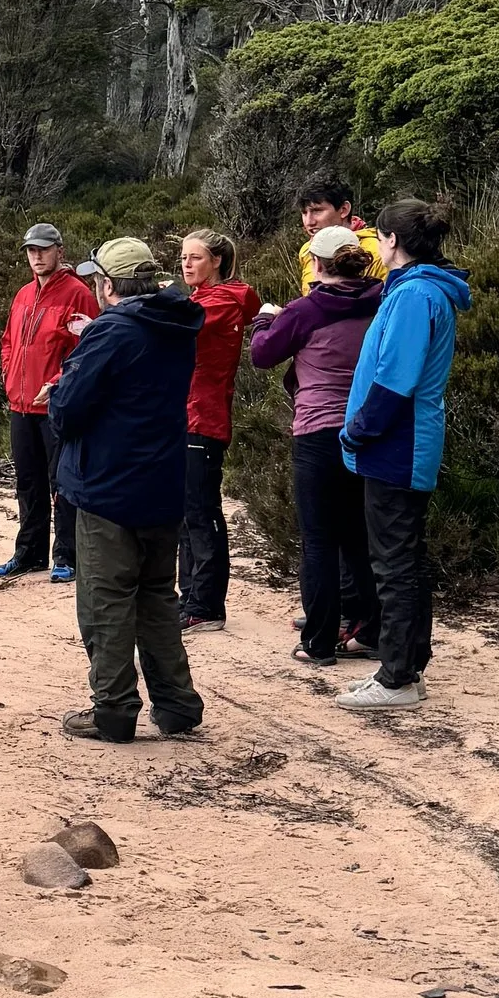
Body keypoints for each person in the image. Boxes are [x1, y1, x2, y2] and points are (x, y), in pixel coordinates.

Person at [47, 236, 205, 744]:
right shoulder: (179, 324)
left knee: (105, 599)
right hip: (161, 481)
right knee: (157, 595)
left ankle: (113, 709)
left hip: (108, 484)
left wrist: (61, 390)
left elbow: (69, 410)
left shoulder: (113, 329)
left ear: (109, 284)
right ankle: (177, 703)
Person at [337, 195, 471, 711]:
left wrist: (357, 431)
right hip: (402, 440)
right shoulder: (417, 290)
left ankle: (397, 677)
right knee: (405, 559)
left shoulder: (416, 296)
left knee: (394, 563)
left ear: (391, 241)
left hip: (398, 441)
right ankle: (406, 666)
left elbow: (396, 379)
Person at [249, 225, 384, 663]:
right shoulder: (381, 299)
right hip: (366, 427)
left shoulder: (307, 309)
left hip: (317, 429)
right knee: (358, 536)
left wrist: (264, 320)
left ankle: (320, 640)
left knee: (319, 539)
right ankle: (368, 631)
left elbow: (263, 354)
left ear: (317, 263)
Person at [0, 220, 92, 583]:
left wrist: (56, 384)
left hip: (55, 405)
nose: (36, 256)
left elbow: (87, 351)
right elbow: (7, 341)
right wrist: (8, 376)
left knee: (62, 481)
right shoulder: (22, 295)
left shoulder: (78, 294)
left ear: (59, 251)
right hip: (20, 404)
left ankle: (66, 555)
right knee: (28, 481)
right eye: (31, 251)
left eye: (43, 249)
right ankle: (29, 553)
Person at [175, 228, 259, 627]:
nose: (186, 264)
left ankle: (206, 604)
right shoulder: (198, 299)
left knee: (201, 510)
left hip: (204, 417)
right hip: (184, 414)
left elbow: (181, 326)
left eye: (195, 258)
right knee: (185, 512)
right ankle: (189, 597)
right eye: (184, 257)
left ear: (217, 261)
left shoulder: (221, 301)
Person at [294, 175, 381, 293]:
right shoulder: (307, 250)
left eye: (317, 211)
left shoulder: (376, 251)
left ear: (344, 209)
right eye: (304, 213)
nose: (309, 222)